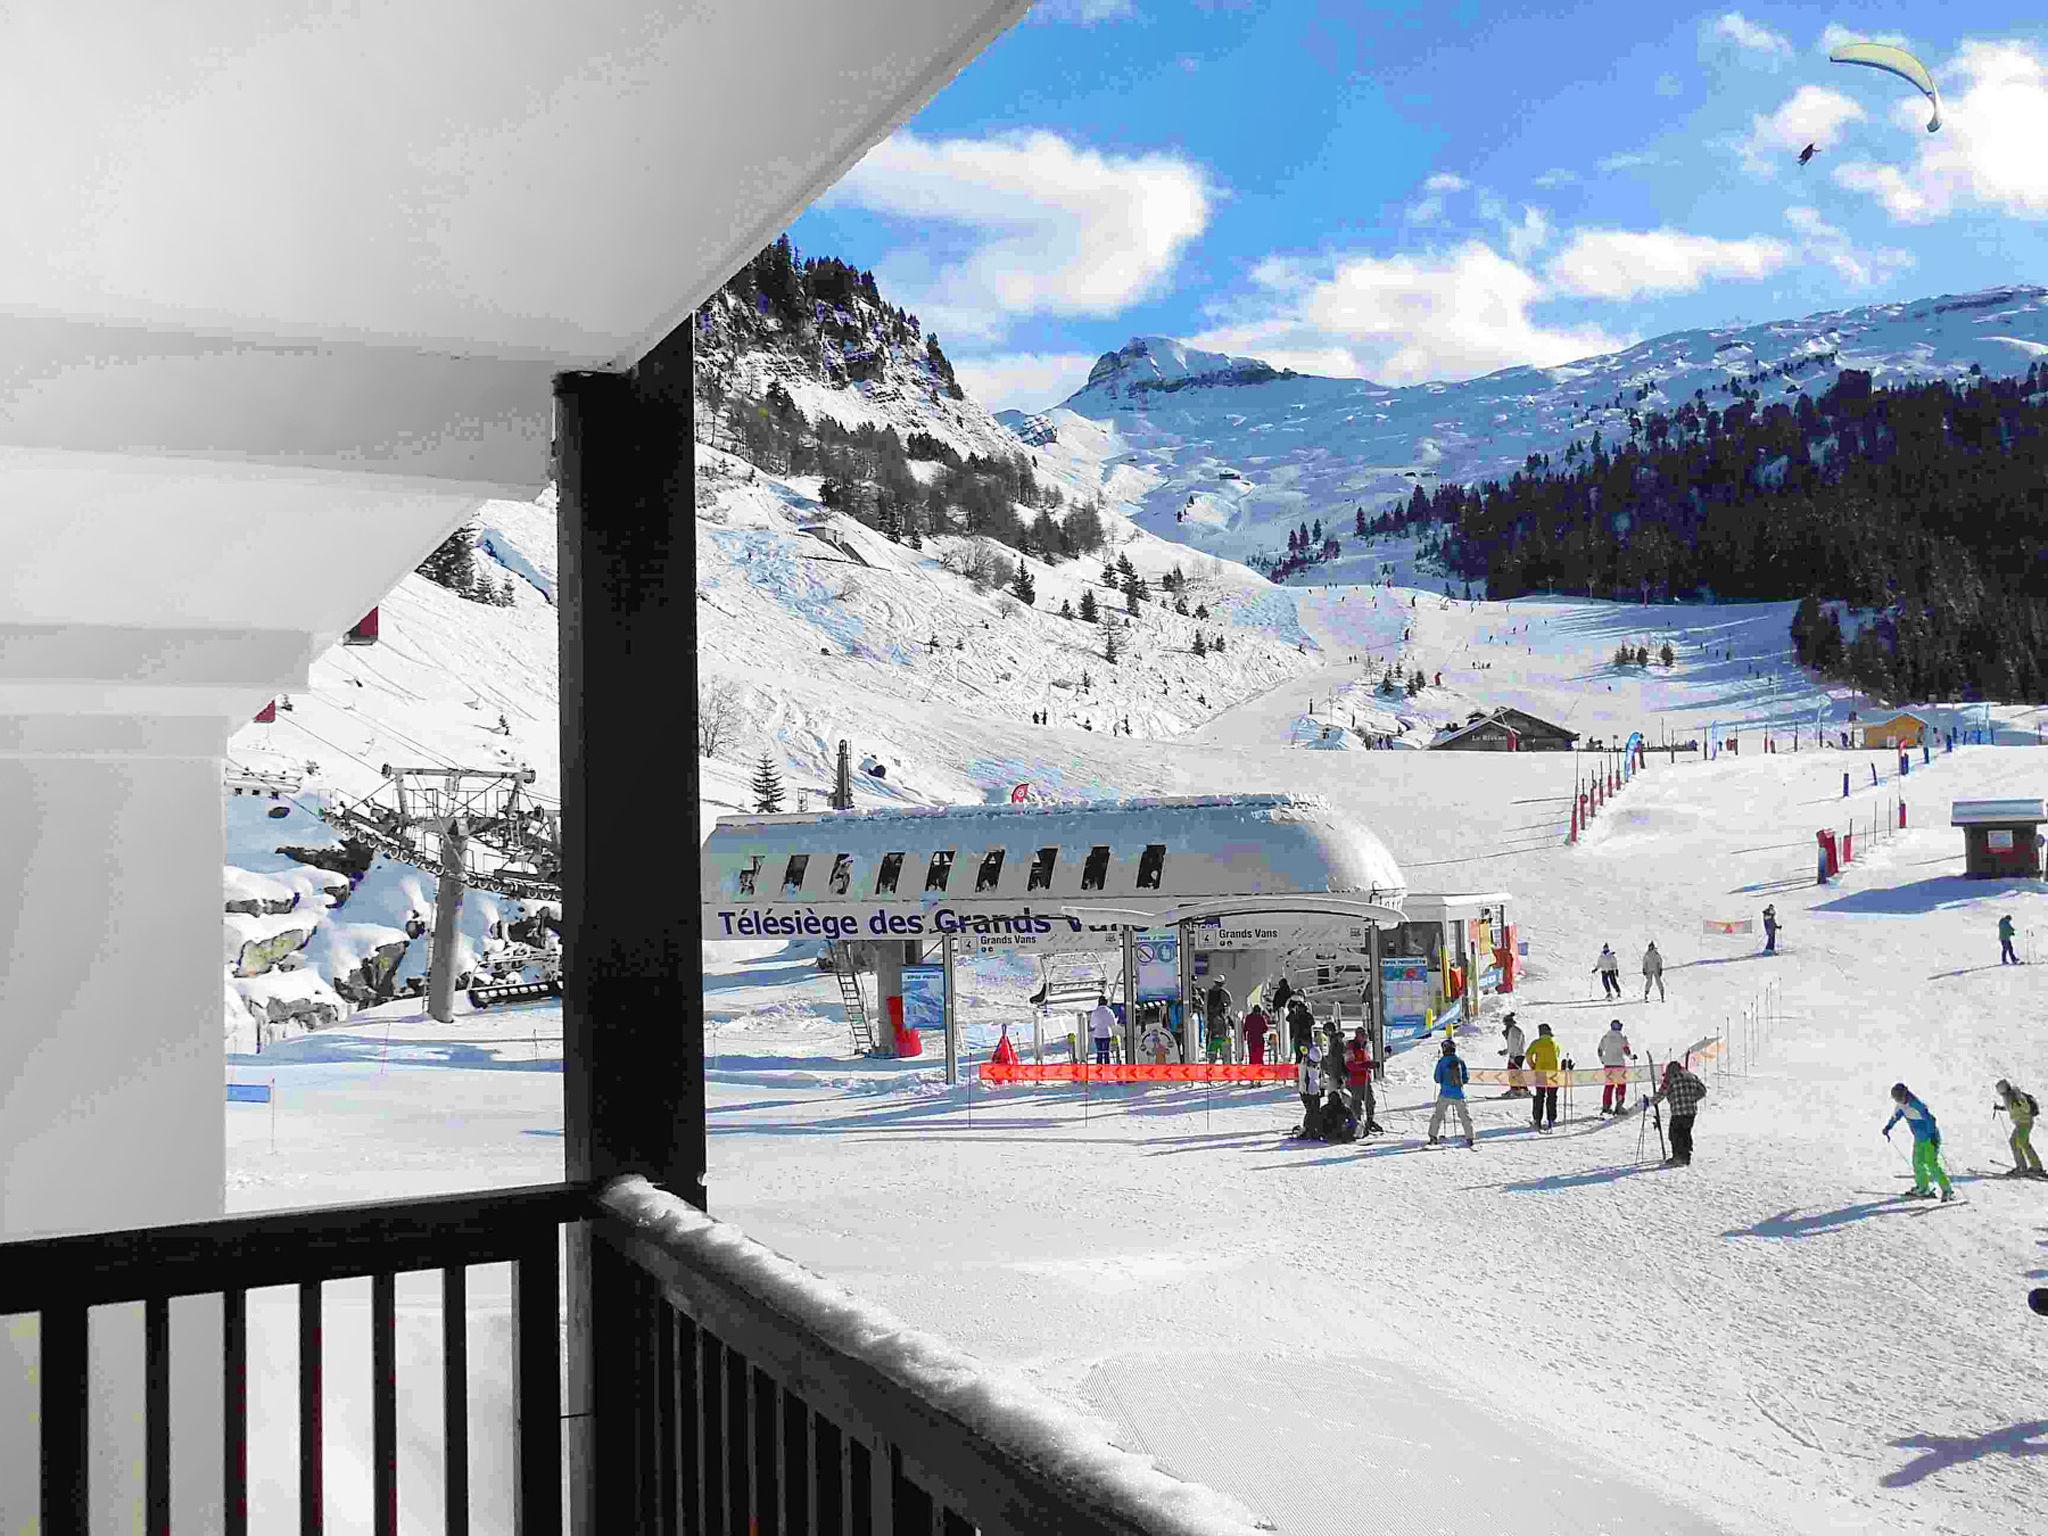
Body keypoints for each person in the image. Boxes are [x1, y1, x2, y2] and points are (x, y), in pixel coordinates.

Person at [1883, 1083, 1953, 1201]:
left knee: (1932, 1164)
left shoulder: (1917, 1105)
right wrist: (1888, 1127)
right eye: (1895, 1098)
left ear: (1904, 1095)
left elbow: (1931, 1119)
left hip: (1930, 1138)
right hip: (1919, 1139)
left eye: (1898, 1098)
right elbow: (1896, 1116)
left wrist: (1932, 1137)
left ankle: (1948, 1190)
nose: (1897, 1100)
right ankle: (1923, 1188)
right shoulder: (1901, 1105)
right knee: (1917, 1162)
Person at [1653, 1060, 1708, 1166]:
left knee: (1675, 1134)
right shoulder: (1692, 1076)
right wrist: (1692, 1099)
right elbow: (1703, 1091)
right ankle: (1686, 1157)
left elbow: (1661, 1093)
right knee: (1686, 1133)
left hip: (1678, 1111)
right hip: (1691, 1111)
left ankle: (1678, 1158)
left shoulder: (1670, 1078)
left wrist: (1652, 1101)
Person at [1426, 1039, 1475, 1148]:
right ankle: (1470, 1137)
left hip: (1445, 1093)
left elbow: (1437, 1078)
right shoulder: (1459, 1061)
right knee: (1464, 1116)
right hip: (1459, 1094)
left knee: (1438, 1115)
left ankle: (1433, 1136)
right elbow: (1465, 1079)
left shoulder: (1442, 1061)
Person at [1993, 1079, 2043, 1177]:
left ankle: (2027, 1168)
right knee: (2020, 1143)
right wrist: (1999, 1108)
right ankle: (2028, 1167)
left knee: (2019, 1143)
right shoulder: (2010, 1098)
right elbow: (2012, 1109)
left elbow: (2025, 1107)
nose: (2000, 1094)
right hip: (2021, 1124)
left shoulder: (2016, 1096)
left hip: (2024, 1123)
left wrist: (2021, 1101)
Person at [1526, 1022, 1562, 1130]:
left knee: (1540, 1096)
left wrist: (1533, 1066)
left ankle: (1537, 1119)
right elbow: (1558, 1055)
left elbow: (1528, 1055)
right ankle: (1551, 1118)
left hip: (1540, 1072)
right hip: (1553, 1074)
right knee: (1552, 1096)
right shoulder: (1554, 1043)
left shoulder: (1536, 1043)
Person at [1344, 1027, 1379, 1134]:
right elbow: (1350, 1064)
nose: (1365, 1038)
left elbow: (1365, 1062)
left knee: (1370, 1101)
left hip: (1365, 1079)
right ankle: (1357, 1124)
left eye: (1366, 1036)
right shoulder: (1351, 1047)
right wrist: (1365, 1066)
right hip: (1355, 1080)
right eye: (1363, 1036)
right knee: (1356, 1103)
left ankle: (1370, 1121)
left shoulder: (1364, 1047)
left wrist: (1372, 1064)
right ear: (1358, 1035)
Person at [1597, 1020, 1634, 1115]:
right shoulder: (1622, 1038)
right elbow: (1626, 1050)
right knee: (1621, 1086)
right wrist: (1631, 1057)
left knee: (1609, 1086)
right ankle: (1619, 1105)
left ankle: (1606, 1106)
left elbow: (1600, 1050)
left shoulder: (1606, 1037)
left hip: (1608, 1065)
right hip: (1619, 1065)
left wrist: (1603, 1060)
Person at [1296, 1041, 1325, 1133]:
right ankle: (1308, 1127)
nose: (1315, 1065)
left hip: (1315, 1090)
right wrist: (1305, 1092)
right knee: (1310, 1110)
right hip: (1307, 1091)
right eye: (1313, 1063)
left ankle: (1315, 1126)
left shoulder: (1316, 1064)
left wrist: (1321, 1087)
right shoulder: (1304, 1065)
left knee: (1315, 1110)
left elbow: (1319, 1077)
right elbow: (1303, 1079)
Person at [1498, 1013, 1528, 1097]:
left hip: (1516, 1055)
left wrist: (1512, 1055)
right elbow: (1511, 1045)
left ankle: (1517, 1090)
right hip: (1516, 1054)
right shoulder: (1511, 1031)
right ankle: (1519, 1089)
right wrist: (1505, 1051)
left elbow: (1515, 1044)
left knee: (1514, 1072)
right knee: (1514, 1072)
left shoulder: (1514, 1031)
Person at [1088, 995, 1116, 1066]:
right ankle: (1107, 1067)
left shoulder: (1095, 1012)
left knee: (1099, 1052)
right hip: (1107, 1034)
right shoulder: (1109, 1011)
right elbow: (1113, 1023)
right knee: (1106, 1052)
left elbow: (1092, 1024)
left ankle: (1099, 1067)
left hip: (1098, 1034)